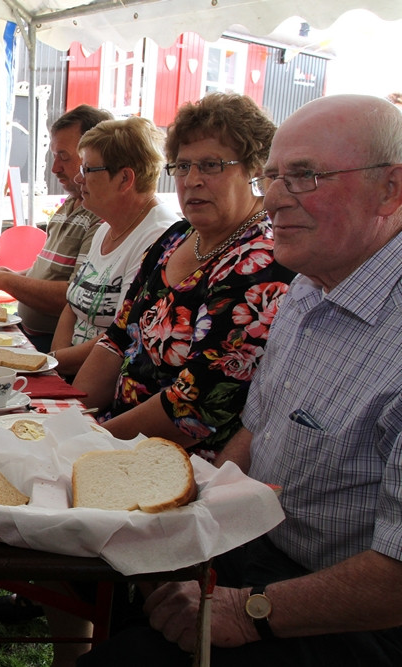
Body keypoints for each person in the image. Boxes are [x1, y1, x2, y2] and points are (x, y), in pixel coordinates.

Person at [79, 93, 402, 667]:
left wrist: (245, 609)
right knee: (98, 572)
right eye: (273, 176)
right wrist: (206, 530)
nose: (273, 198)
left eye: (304, 176)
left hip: (351, 610)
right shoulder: (311, 282)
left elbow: (392, 581)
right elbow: (255, 431)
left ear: (391, 189)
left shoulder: (277, 270)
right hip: (258, 547)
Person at [71, 93, 296, 460]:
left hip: (178, 465)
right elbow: (117, 338)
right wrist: (73, 419)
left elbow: (194, 408)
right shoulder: (175, 237)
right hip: (110, 438)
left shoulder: (261, 263)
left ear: (255, 169)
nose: (191, 180)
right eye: (182, 166)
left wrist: (87, 446)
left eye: (210, 165)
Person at [0, 104, 114, 352]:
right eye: (54, 156)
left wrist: (3, 280)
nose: (55, 168)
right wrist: (6, 274)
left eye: (64, 157)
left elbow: (72, 295)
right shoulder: (69, 205)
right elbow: (48, 271)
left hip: (55, 345)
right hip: (30, 334)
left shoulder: (100, 216)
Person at [49, 116, 178, 377]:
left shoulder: (160, 237)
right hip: (67, 371)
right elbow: (72, 305)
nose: (79, 178)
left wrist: (48, 364)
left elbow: (121, 337)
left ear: (124, 178)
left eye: (87, 169)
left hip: (104, 384)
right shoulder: (106, 228)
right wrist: (53, 366)